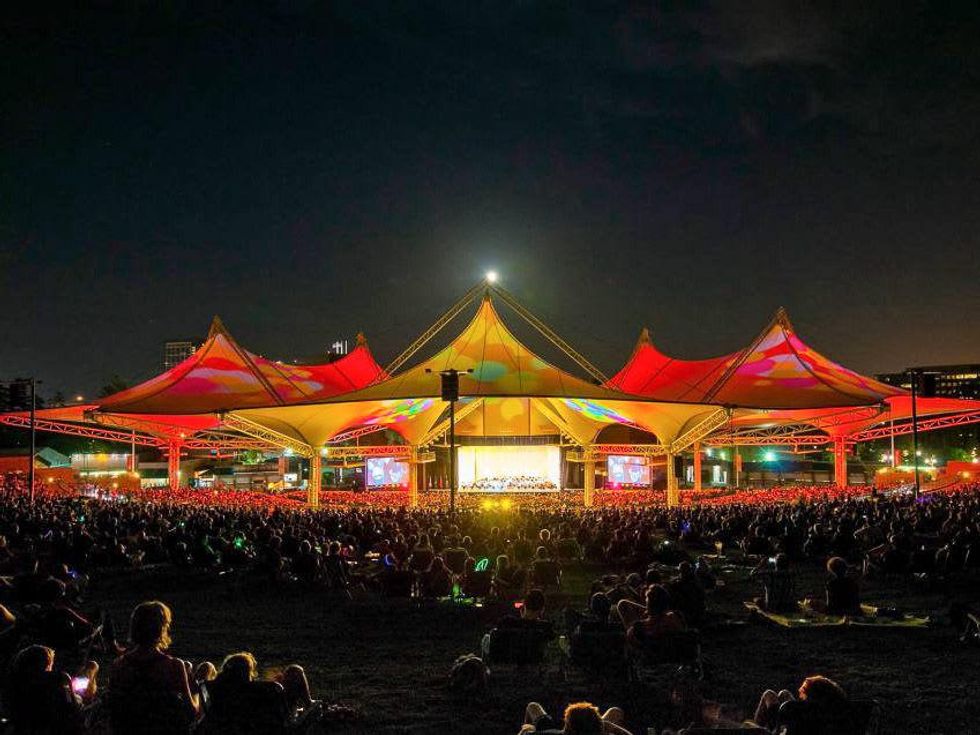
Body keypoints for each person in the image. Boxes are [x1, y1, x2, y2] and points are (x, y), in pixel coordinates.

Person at [109, 600, 202, 734]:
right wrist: (195, 690)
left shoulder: (118, 665)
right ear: (162, 628)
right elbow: (192, 712)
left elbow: (114, 710)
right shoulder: (174, 666)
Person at [751, 675, 849, 734]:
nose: (801, 696)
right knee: (784, 693)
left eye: (804, 695)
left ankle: (755, 727)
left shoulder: (807, 711)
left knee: (769, 694)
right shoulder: (843, 710)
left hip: (788, 727)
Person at [617, 584, 687, 650]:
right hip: (674, 656)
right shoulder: (676, 618)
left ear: (647, 603)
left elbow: (632, 642)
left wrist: (649, 614)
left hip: (651, 658)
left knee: (622, 604)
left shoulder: (638, 628)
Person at [519, 701, 633, 735]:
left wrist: (528, 730)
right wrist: (614, 728)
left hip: (555, 732)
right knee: (615, 712)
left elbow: (525, 731)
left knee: (532, 707)